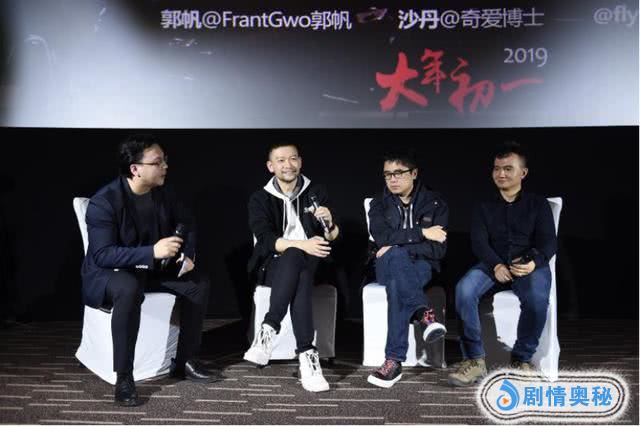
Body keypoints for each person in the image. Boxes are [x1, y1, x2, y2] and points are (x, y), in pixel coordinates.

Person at [81, 134, 220, 407]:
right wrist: (152, 252)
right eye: (158, 162)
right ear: (135, 169)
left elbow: (187, 222)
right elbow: (103, 254)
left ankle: (185, 360)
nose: (165, 166)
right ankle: (124, 376)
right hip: (110, 273)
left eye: (165, 160)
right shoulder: (104, 202)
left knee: (198, 283)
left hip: (151, 270)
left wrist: (187, 255)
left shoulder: (164, 193)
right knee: (128, 287)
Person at [448, 141, 557, 387]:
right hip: (492, 264)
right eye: (497, 168)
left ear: (523, 173)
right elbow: (478, 242)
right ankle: (474, 360)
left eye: (508, 168)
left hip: (527, 264)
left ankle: (521, 358)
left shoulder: (537, 204)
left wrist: (534, 263)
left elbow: (549, 241)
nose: (501, 174)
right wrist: (496, 265)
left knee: (537, 300)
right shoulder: (483, 205)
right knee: (464, 290)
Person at [244, 143, 339, 393]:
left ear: (300, 162)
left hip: (316, 259)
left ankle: (268, 329)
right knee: (297, 263)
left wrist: (330, 223)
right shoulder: (260, 198)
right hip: (274, 263)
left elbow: (331, 236)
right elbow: (266, 240)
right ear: (271, 166)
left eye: (293, 159)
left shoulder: (316, 191)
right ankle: (308, 356)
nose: (288, 165)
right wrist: (302, 245)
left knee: (300, 262)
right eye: (281, 160)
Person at [366, 151, 448, 388]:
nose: (392, 179)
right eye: (387, 175)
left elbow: (438, 249)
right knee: (395, 257)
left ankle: (393, 362)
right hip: (385, 264)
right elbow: (382, 238)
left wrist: (397, 245)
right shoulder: (378, 204)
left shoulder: (436, 203)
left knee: (396, 284)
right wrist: (422, 233)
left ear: (414, 174)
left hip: (423, 265)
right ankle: (424, 314)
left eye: (398, 173)